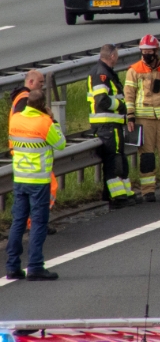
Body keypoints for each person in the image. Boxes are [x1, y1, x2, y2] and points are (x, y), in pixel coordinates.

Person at [5, 90, 65, 281]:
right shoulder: (45, 123)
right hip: (38, 181)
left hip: (20, 179)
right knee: (38, 223)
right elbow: (61, 144)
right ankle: (35, 266)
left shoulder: (15, 120)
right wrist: (52, 119)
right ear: (42, 105)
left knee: (18, 222)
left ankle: (12, 266)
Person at [124, 34, 160, 202]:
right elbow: (129, 96)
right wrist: (130, 117)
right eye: (143, 51)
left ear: (156, 51)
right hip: (143, 119)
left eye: (149, 51)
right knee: (147, 157)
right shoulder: (134, 70)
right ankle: (148, 191)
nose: (146, 55)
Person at [88, 44, 136, 207]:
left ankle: (118, 194)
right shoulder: (101, 73)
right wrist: (122, 105)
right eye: (117, 55)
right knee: (114, 158)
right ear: (113, 56)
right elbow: (102, 100)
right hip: (106, 125)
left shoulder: (105, 72)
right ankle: (117, 197)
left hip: (111, 124)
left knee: (118, 157)